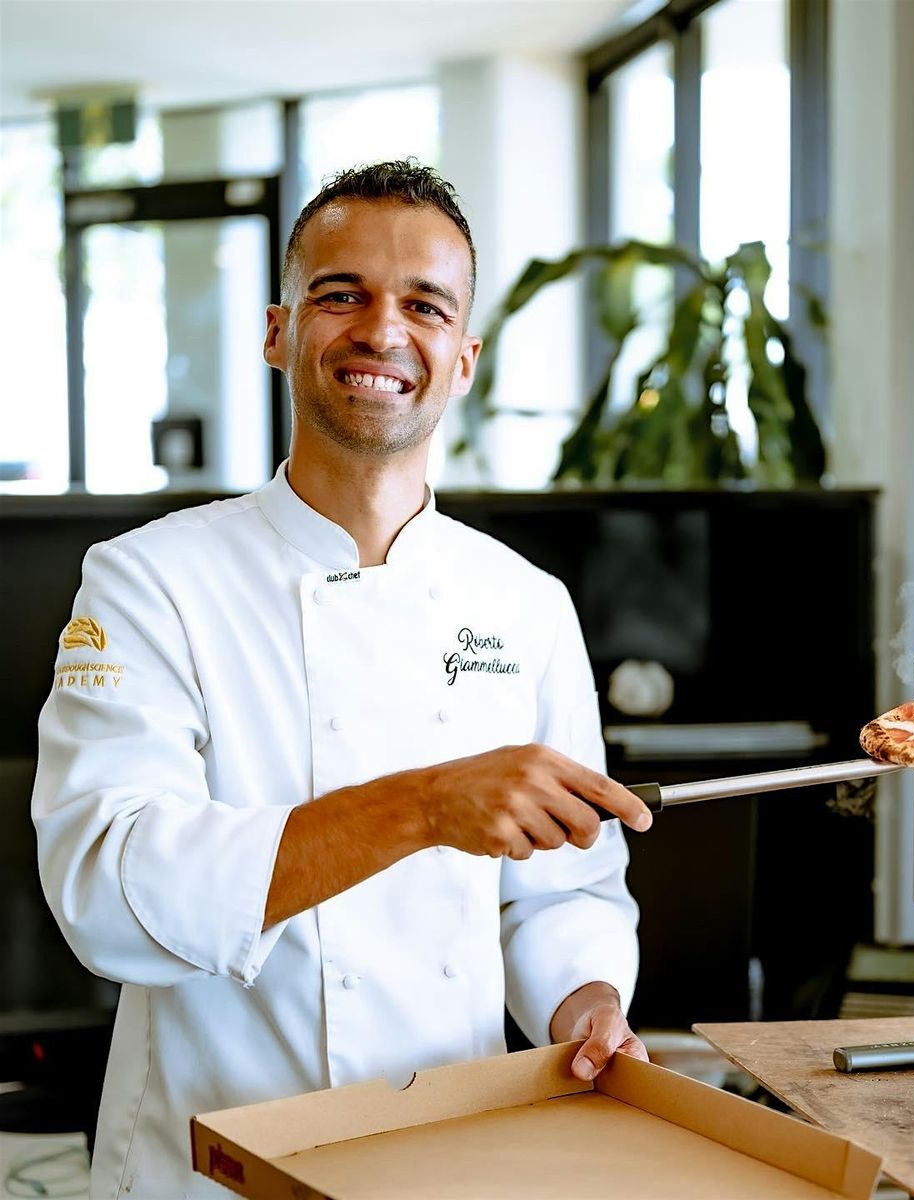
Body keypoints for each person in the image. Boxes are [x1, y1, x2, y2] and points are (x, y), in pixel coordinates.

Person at [32, 160, 654, 1200]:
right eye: (341, 295)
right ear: (279, 331)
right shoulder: (150, 581)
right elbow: (105, 889)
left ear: (463, 360)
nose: (382, 331)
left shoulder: (526, 603)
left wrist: (586, 1006)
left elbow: (559, 892)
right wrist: (419, 806)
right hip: (213, 1166)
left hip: (451, 1161)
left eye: (425, 306)